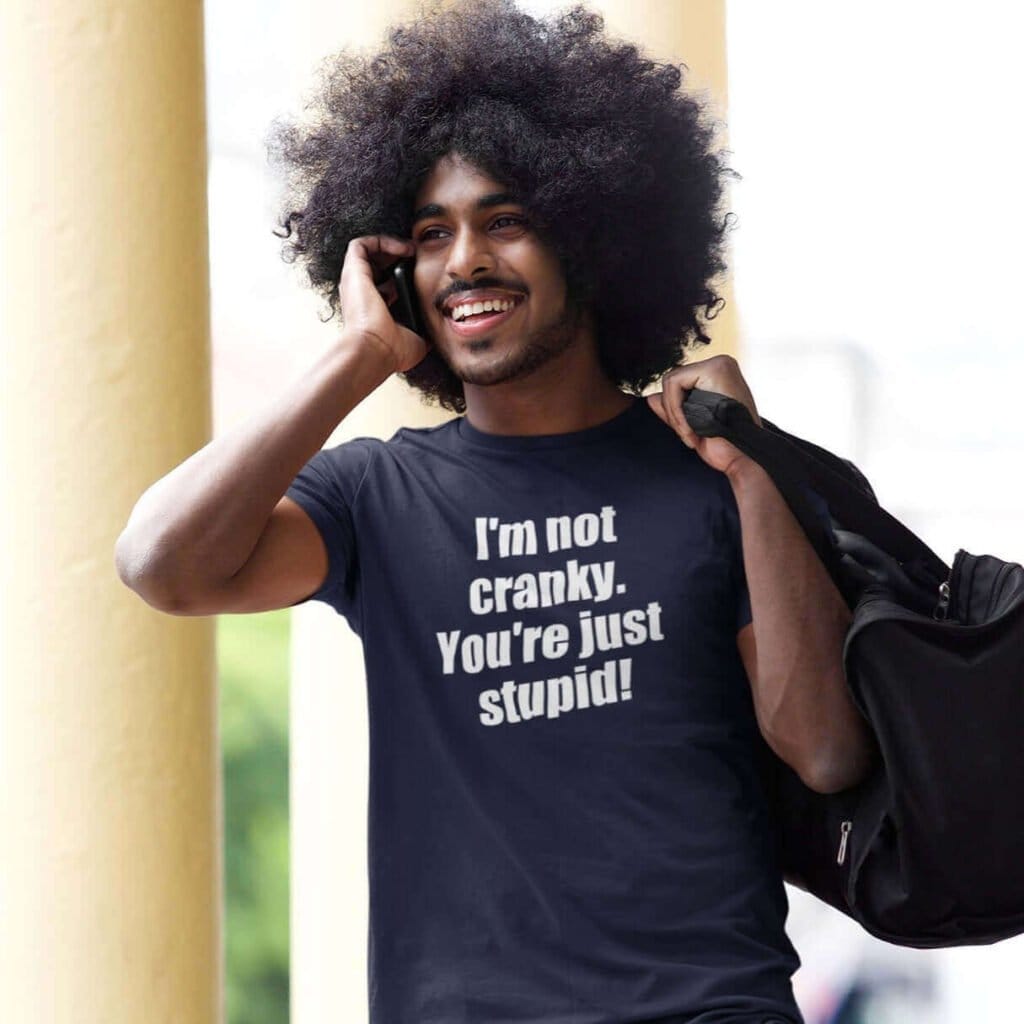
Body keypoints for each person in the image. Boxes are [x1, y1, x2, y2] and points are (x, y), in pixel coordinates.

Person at [115, 2, 878, 1021]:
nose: (465, 259)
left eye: (505, 221)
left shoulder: (705, 479)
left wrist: (754, 473)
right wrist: (357, 359)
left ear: (592, 241)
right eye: (431, 236)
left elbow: (825, 749)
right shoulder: (375, 497)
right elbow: (162, 563)